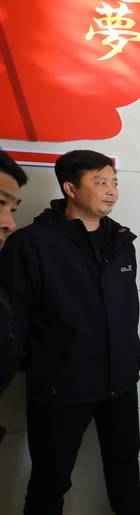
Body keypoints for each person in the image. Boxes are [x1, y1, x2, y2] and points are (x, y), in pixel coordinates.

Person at [0, 150, 140, 515]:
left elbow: (125, 308)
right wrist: (46, 363)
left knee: (124, 456)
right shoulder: (31, 243)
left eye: (114, 182)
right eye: (100, 182)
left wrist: (130, 358)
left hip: (119, 376)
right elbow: (11, 318)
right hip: (60, 383)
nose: (112, 190)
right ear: (70, 187)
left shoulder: (121, 240)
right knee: (51, 479)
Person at [0, 151, 27, 442]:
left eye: (13, 209)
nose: (9, 223)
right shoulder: (32, 242)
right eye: (0, 203)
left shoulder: (122, 238)